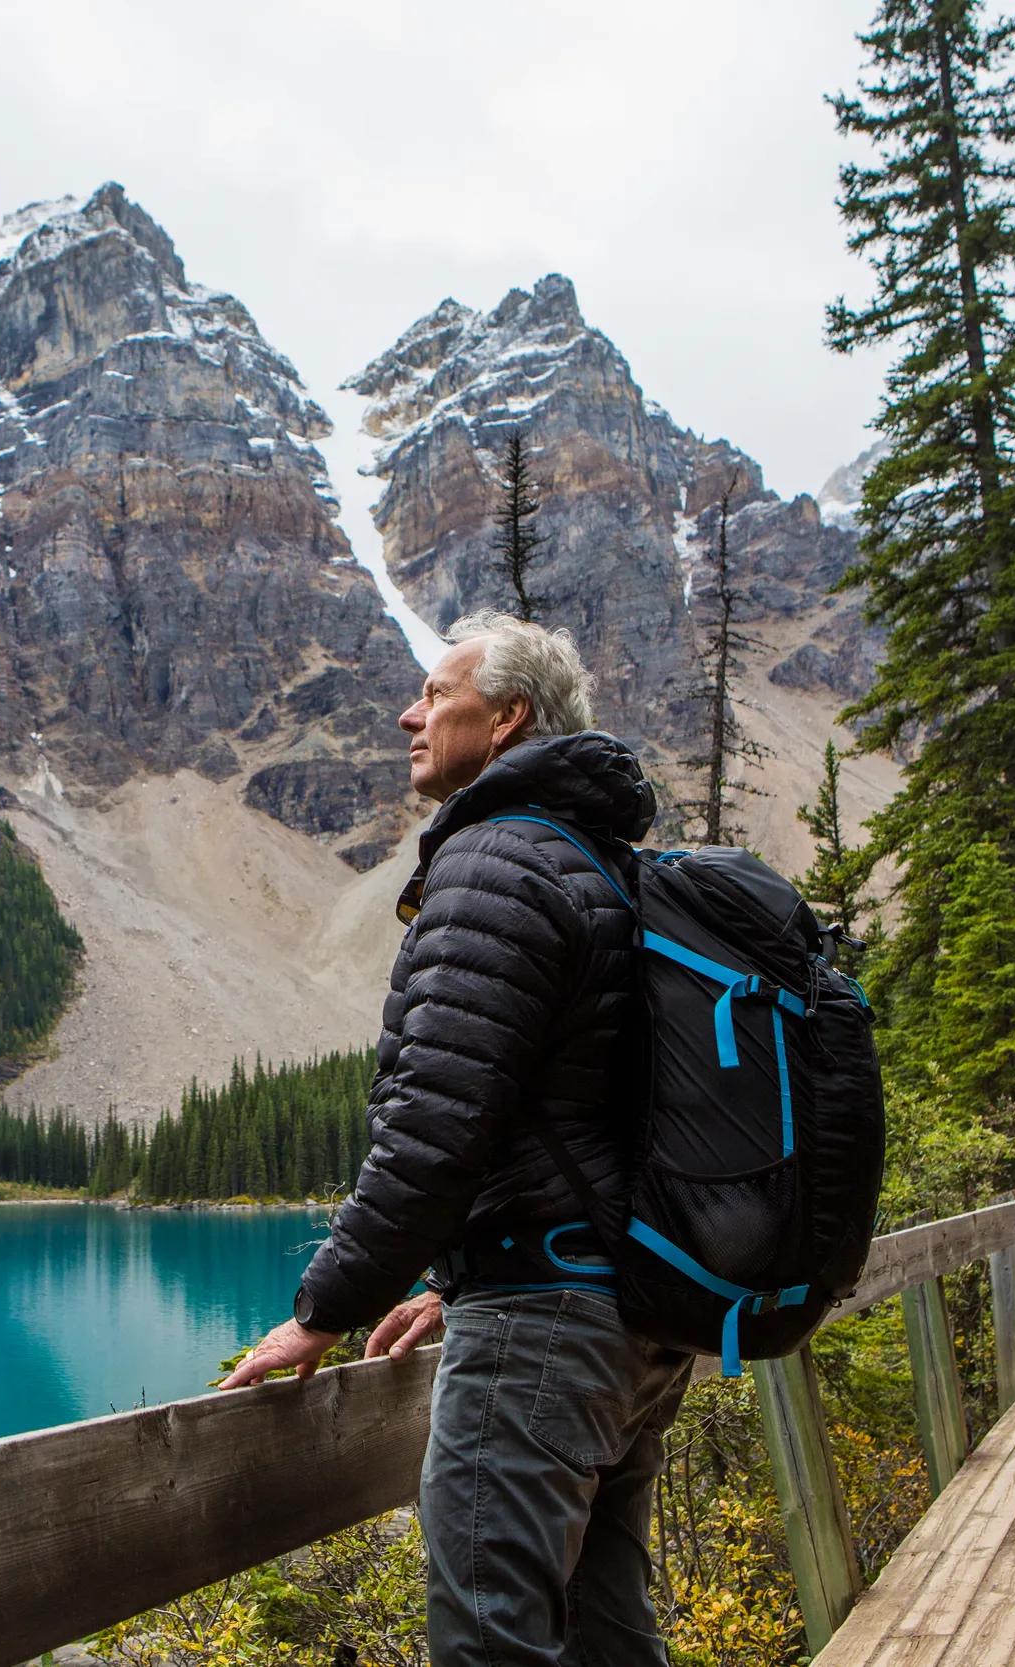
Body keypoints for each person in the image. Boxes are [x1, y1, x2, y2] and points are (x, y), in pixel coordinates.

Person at [216, 611, 687, 1667]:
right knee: (609, 1625)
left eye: (433, 693)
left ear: (507, 714)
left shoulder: (495, 862)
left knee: (491, 1638)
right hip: (627, 1312)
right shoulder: (594, 861)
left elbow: (437, 1122)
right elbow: (576, 1115)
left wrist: (320, 1309)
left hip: (545, 1327)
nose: (407, 713)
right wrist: (457, 1275)